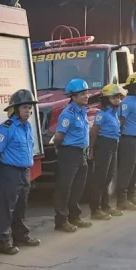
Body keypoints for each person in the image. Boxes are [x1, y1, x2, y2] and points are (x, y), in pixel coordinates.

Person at [0, 89, 41, 255]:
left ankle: (21, 236)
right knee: (5, 208)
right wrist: (4, 166)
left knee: (20, 207)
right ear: (16, 109)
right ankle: (2, 242)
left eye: (30, 108)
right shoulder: (6, 128)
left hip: (24, 172)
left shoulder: (26, 126)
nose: (29, 111)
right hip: (10, 172)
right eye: (25, 107)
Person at [53, 78, 93, 232]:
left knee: (78, 187)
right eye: (82, 94)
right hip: (69, 153)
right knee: (65, 187)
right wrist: (60, 150)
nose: (86, 96)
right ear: (73, 97)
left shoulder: (83, 111)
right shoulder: (67, 113)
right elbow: (59, 137)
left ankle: (74, 216)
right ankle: (61, 220)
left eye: (86, 93)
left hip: (81, 153)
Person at [88, 83, 126, 220]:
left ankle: (105, 205)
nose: (117, 100)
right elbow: (94, 132)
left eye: (118, 97)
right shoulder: (101, 114)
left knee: (109, 177)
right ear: (106, 99)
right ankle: (95, 209)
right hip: (103, 145)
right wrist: (91, 150)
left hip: (112, 145)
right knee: (100, 178)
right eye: (113, 98)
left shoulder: (114, 114)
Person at [116, 71, 136, 211]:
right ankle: (122, 200)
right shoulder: (127, 103)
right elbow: (120, 122)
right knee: (126, 171)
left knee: (135, 170)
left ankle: (131, 196)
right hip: (129, 141)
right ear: (133, 87)